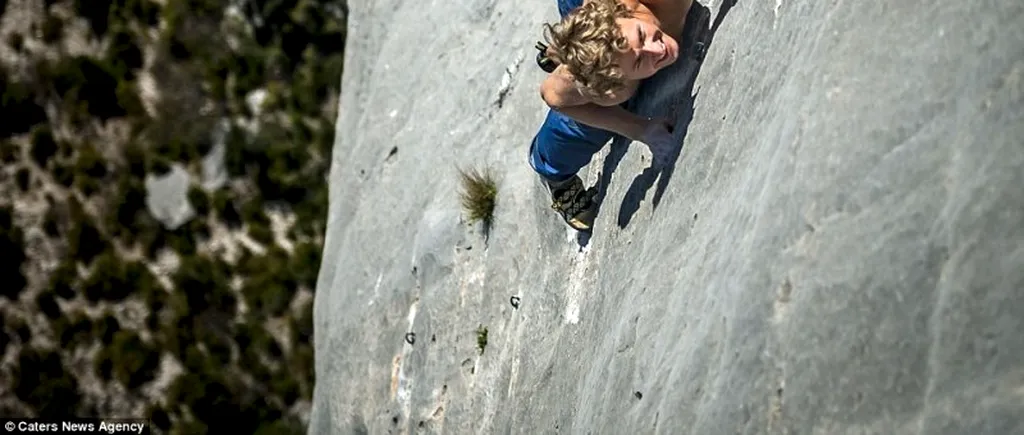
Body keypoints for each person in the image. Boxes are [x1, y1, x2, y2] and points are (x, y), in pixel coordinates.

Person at [528, 0, 708, 231]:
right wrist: (639, 129)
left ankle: (563, 49)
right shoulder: (614, 86)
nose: (658, 49)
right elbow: (552, 94)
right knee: (593, 116)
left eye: (642, 35)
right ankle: (550, 167)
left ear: (624, 13)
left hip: (597, 12)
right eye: (639, 61)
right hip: (593, 25)